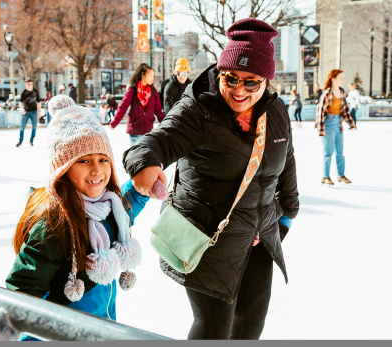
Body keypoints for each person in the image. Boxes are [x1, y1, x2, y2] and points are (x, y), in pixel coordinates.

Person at [122, 18, 299, 340]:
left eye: (251, 82)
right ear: (219, 72)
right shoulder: (197, 110)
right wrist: (144, 163)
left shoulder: (276, 112)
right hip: (207, 239)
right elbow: (155, 141)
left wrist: (286, 215)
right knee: (214, 329)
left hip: (259, 238)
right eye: (230, 79)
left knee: (249, 328)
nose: (239, 90)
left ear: (266, 81)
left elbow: (285, 162)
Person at [5, 95, 149, 340]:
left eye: (103, 160)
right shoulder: (54, 223)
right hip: (64, 332)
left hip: (101, 325)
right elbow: (24, 291)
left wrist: (140, 188)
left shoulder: (109, 205)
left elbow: (125, 209)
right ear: (63, 168)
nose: (96, 170)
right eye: (83, 161)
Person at [316, 69, 356, 186]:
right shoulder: (327, 93)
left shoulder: (342, 92)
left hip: (338, 124)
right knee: (328, 152)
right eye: (340, 78)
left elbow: (345, 110)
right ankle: (325, 176)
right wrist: (321, 129)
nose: (342, 80)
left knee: (340, 152)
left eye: (343, 78)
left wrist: (350, 123)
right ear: (333, 79)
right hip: (327, 124)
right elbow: (320, 112)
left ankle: (341, 175)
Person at [109, 63, 165, 146]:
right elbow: (123, 107)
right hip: (135, 132)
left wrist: (166, 124)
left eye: (153, 76)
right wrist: (115, 122)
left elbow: (158, 111)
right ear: (143, 75)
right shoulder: (133, 90)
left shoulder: (153, 91)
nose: (152, 78)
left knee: (147, 157)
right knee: (136, 158)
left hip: (148, 131)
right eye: (150, 75)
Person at [16, 79, 41, 147]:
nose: (30, 86)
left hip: (34, 111)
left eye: (31, 84)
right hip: (26, 112)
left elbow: (39, 102)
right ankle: (20, 140)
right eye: (28, 84)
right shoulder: (24, 92)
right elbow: (20, 102)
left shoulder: (35, 92)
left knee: (34, 126)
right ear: (25, 84)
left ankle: (31, 140)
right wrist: (21, 109)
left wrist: (39, 112)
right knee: (22, 127)